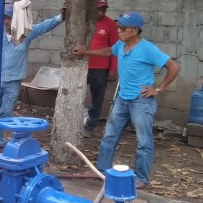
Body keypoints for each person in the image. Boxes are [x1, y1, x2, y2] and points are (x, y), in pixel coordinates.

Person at [74, 11, 180, 188]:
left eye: (123, 28)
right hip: (122, 99)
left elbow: (173, 67)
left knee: (143, 141)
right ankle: (102, 171)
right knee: (109, 136)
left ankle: (141, 178)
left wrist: (158, 89)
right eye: (118, 27)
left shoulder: (148, 49)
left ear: (135, 30)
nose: (119, 31)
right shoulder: (121, 45)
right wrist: (86, 52)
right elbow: (109, 50)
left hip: (141, 101)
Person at [0, 2, 67, 147]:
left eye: (9, 18)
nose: (6, 21)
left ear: (16, 19)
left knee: (6, 111)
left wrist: (61, 17)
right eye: (4, 18)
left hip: (13, 81)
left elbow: (44, 26)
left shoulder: (24, 34)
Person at [83, 0, 119, 138]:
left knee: (97, 98)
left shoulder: (110, 24)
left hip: (101, 68)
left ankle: (90, 126)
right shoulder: (84, 23)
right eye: (98, 9)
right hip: (82, 66)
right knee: (75, 94)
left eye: (103, 9)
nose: (101, 12)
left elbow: (114, 49)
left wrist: (113, 69)